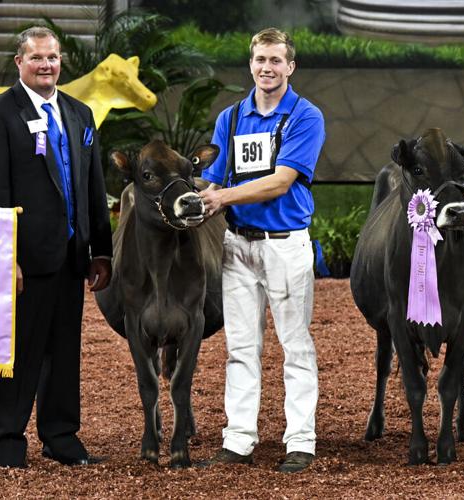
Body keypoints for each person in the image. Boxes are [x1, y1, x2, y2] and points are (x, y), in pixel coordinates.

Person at [0, 26, 113, 468]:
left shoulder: (79, 113)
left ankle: (61, 435)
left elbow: (93, 185)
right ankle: (4, 440)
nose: (46, 65)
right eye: (37, 58)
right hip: (23, 261)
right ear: (19, 63)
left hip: (71, 256)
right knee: (15, 353)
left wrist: (100, 250)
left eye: (52, 57)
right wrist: (2, 258)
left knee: (65, 351)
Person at [196, 27, 325, 474]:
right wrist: (193, 203)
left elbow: (281, 180)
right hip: (237, 246)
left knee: (295, 345)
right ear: (250, 64)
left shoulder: (306, 116)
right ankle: (238, 440)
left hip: (285, 245)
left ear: (290, 66)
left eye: (275, 61)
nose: (266, 68)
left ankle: (300, 441)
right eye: (259, 60)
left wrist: (221, 198)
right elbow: (214, 182)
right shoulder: (230, 118)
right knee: (240, 346)